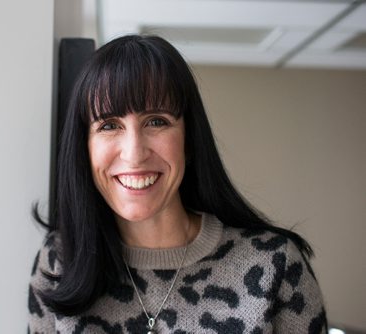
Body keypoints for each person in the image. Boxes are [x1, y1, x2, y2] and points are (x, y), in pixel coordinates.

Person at [28, 35, 327, 333]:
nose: (134, 154)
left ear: (189, 139)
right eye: (109, 125)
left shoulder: (275, 264)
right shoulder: (59, 261)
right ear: (84, 146)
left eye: (156, 121)